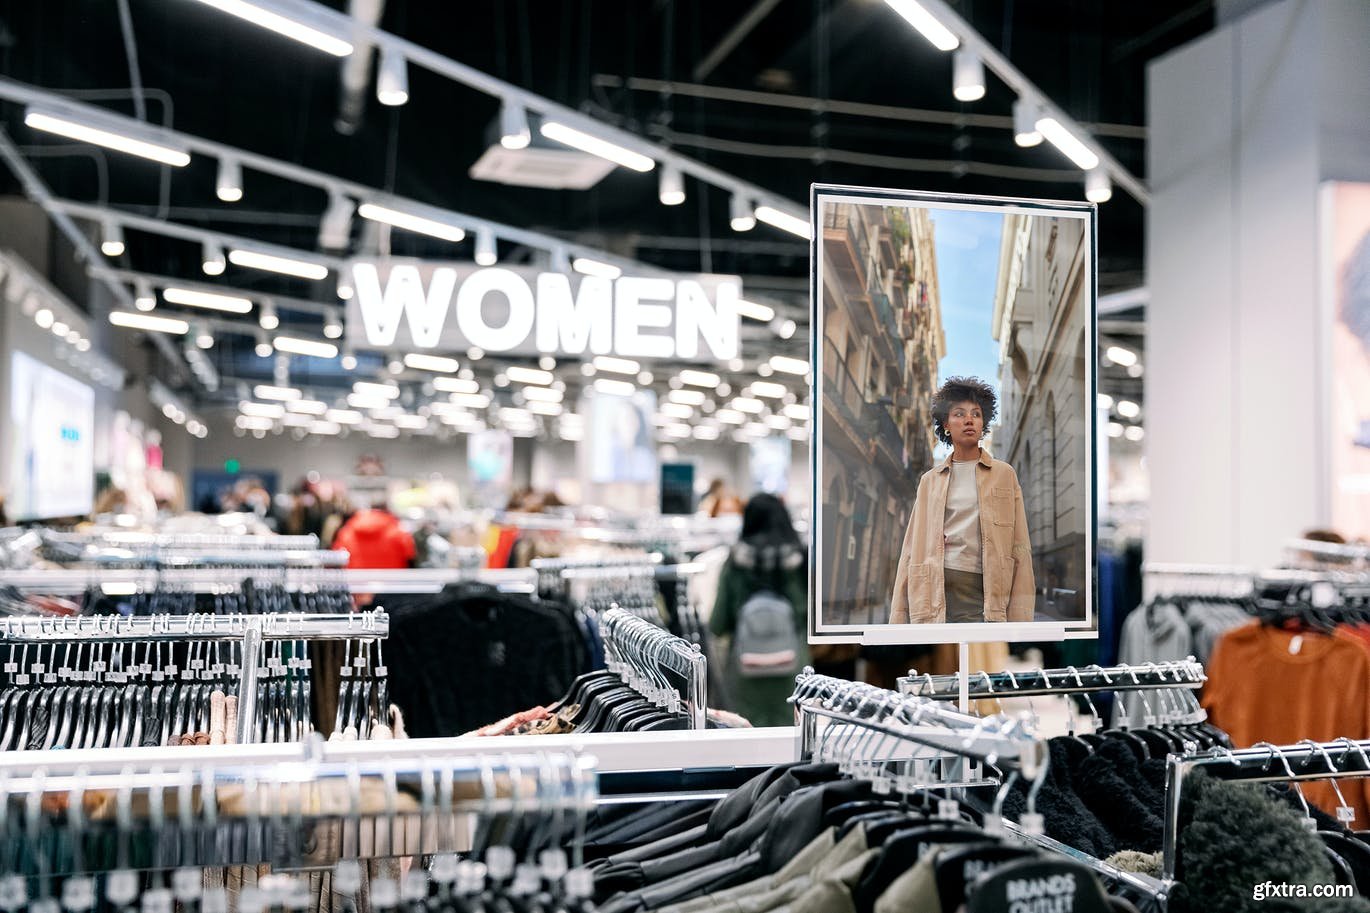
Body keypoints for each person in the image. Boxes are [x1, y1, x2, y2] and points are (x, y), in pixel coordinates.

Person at [889, 376, 1035, 624]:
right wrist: (898, 618)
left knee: (980, 661)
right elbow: (911, 549)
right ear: (946, 424)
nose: (969, 419)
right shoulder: (930, 480)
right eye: (959, 413)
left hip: (985, 590)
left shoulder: (1003, 474)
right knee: (945, 662)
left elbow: (1020, 546)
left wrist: (1021, 622)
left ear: (983, 423)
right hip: (936, 588)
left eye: (976, 414)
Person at [709, 494, 809, 726]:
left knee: (747, 740)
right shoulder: (800, 559)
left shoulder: (735, 561)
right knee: (793, 740)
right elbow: (806, 613)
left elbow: (718, 623)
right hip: (794, 665)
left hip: (745, 665)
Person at [331, 499, 416, 570]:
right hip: (391, 584)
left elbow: (336, 556)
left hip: (357, 585)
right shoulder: (398, 532)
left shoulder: (347, 532)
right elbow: (410, 556)